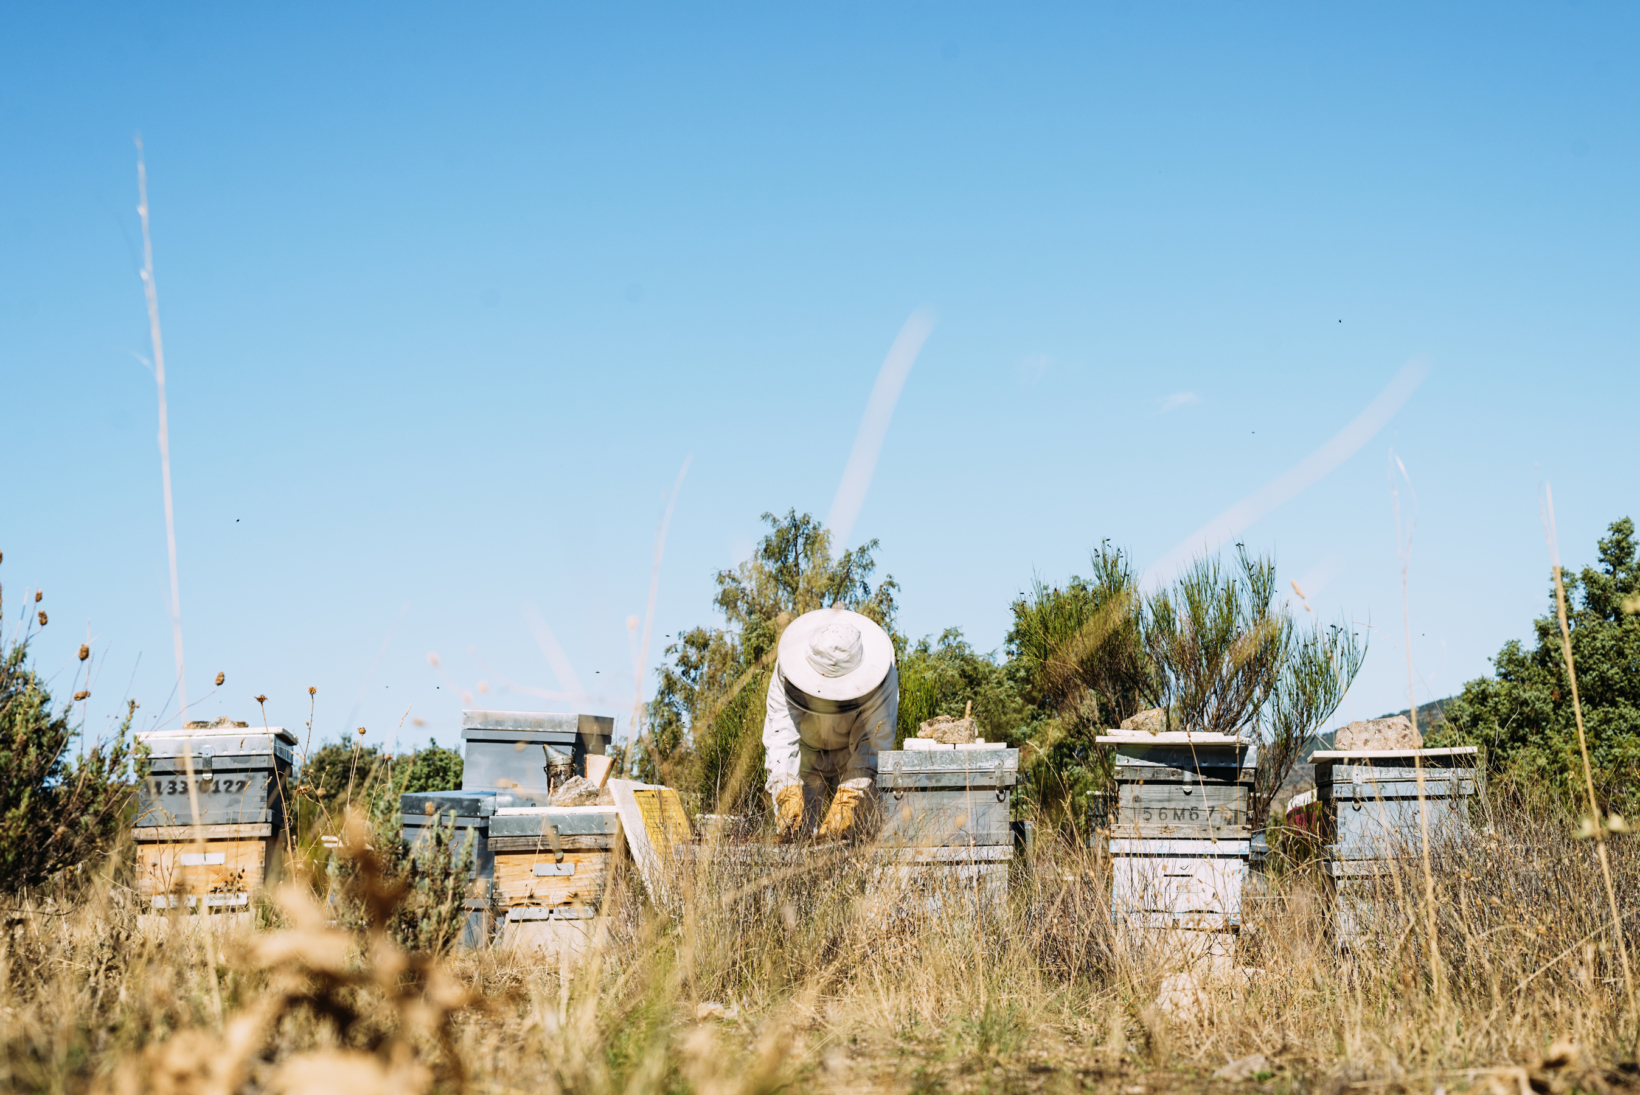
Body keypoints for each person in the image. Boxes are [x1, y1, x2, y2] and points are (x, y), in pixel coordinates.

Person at [762, 607, 898, 842]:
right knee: (795, 840)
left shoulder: (883, 674)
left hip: (851, 757)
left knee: (852, 841)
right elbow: (781, 737)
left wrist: (849, 799)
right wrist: (787, 793)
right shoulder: (787, 671)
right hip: (804, 757)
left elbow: (872, 745)